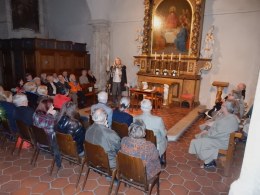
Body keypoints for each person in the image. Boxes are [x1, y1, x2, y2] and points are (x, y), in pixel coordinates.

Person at [189, 100, 239, 169]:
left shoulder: (228, 120)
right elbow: (218, 127)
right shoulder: (228, 116)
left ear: (226, 108)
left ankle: (209, 162)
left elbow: (215, 133)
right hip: (222, 138)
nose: (221, 106)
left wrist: (206, 132)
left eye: (223, 105)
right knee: (200, 137)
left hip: (224, 142)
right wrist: (217, 115)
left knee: (199, 141)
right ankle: (209, 161)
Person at [33, 97, 61, 167]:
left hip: (40, 140)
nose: (53, 107)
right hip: (51, 142)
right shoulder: (49, 119)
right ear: (46, 107)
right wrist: (55, 114)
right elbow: (58, 126)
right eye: (52, 106)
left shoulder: (35, 114)